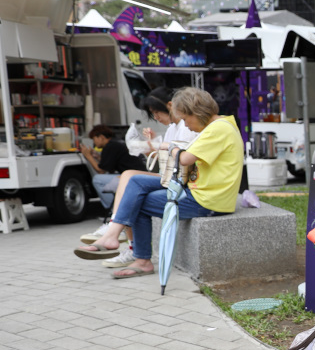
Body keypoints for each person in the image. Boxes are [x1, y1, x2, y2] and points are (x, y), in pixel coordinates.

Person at [73, 87, 244, 278]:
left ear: (196, 112)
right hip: (201, 192)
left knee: (138, 201)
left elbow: (185, 158)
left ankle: (134, 253)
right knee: (135, 181)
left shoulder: (218, 129)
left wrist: (169, 147)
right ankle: (114, 236)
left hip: (208, 200)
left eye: (186, 119)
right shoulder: (221, 125)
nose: (186, 125)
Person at [81, 87, 201, 268]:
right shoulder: (173, 127)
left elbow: (182, 157)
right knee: (127, 177)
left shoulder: (187, 127)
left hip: (179, 179)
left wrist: (159, 147)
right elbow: (166, 158)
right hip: (171, 175)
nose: (156, 118)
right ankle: (119, 231)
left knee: (132, 184)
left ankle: (119, 233)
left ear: (170, 106)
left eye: (156, 113)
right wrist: (152, 146)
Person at [79, 125, 146, 212]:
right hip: (138, 175)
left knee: (97, 179)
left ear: (101, 137)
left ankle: (114, 209)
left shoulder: (110, 146)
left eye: (94, 139)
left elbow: (101, 170)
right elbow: (109, 164)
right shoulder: (116, 143)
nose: (94, 142)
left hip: (133, 178)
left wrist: (88, 156)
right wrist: (97, 157)